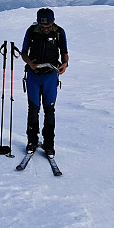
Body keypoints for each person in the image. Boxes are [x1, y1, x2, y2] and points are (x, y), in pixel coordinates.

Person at [18, 8, 69, 157]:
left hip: (50, 75)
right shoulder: (31, 31)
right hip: (33, 75)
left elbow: (65, 53)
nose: (45, 29)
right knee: (33, 109)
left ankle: (49, 144)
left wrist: (65, 64)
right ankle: (32, 141)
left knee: (49, 110)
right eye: (42, 26)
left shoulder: (59, 32)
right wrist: (30, 63)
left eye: (48, 26)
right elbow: (23, 53)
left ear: (53, 22)